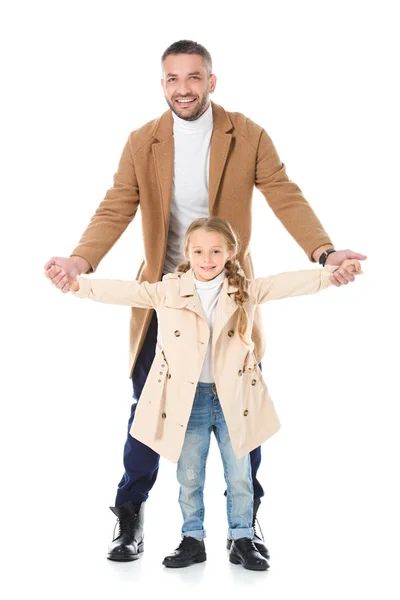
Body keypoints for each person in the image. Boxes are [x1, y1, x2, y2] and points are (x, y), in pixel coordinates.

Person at [44, 39, 367, 562]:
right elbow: (115, 205)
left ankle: (246, 526)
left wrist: (324, 252)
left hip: (230, 292)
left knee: (241, 404)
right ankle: (130, 514)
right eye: (172, 79)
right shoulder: (142, 141)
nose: (183, 88)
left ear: (211, 82)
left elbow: (284, 192)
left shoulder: (247, 134)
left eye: (193, 77)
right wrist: (82, 261)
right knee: (148, 408)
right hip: (166, 296)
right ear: (163, 84)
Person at [46, 217, 363, 570]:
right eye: (198, 251)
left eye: (215, 251)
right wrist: (77, 285)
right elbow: (124, 291)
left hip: (233, 400)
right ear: (187, 253)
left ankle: (242, 537)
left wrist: (329, 276)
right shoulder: (168, 289)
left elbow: (287, 284)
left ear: (230, 254)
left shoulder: (244, 289)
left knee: (240, 475)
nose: (207, 258)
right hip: (189, 399)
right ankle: (192, 539)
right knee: (190, 476)